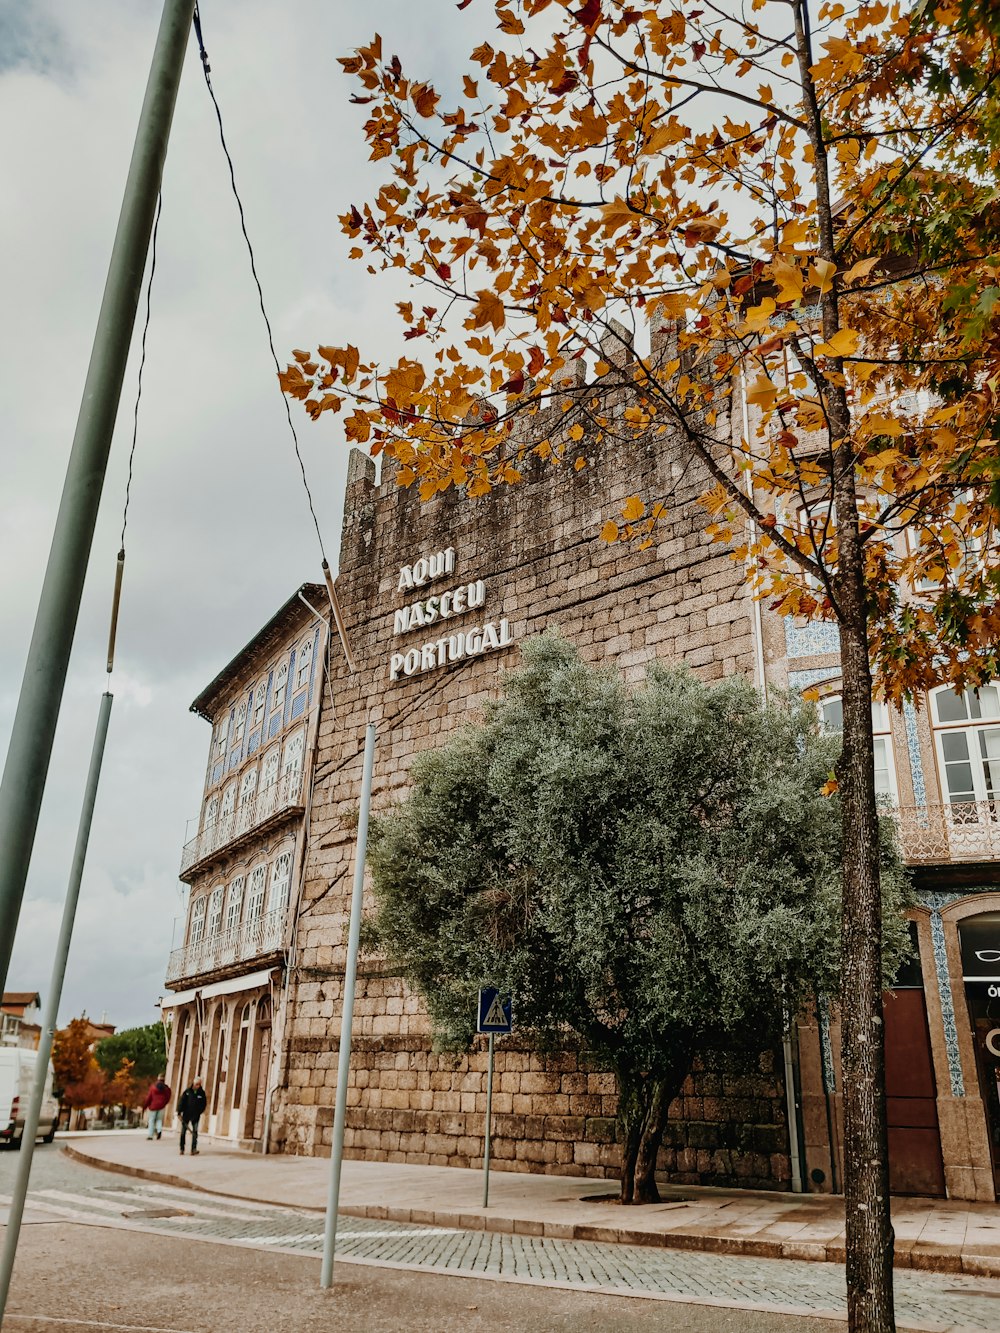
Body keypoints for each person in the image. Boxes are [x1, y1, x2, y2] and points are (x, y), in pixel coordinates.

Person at [177, 1077, 207, 1156]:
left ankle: (193, 1149)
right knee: (183, 1132)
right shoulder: (187, 1092)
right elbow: (181, 1101)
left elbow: (204, 1104)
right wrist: (179, 1111)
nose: (198, 1086)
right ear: (193, 1084)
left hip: (196, 1115)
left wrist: (200, 1111)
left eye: (199, 1084)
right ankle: (182, 1148)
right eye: (197, 1084)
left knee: (195, 1132)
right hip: (186, 1115)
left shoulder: (202, 1093)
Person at [142, 1074, 172, 1140]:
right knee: (159, 1120)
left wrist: (145, 1106)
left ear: (158, 1079)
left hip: (153, 1106)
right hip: (161, 1106)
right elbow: (168, 1097)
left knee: (151, 1120)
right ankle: (159, 1131)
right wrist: (164, 1103)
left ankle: (150, 1135)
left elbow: (149, 1097)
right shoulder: (166, 1088)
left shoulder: (153, 1087)